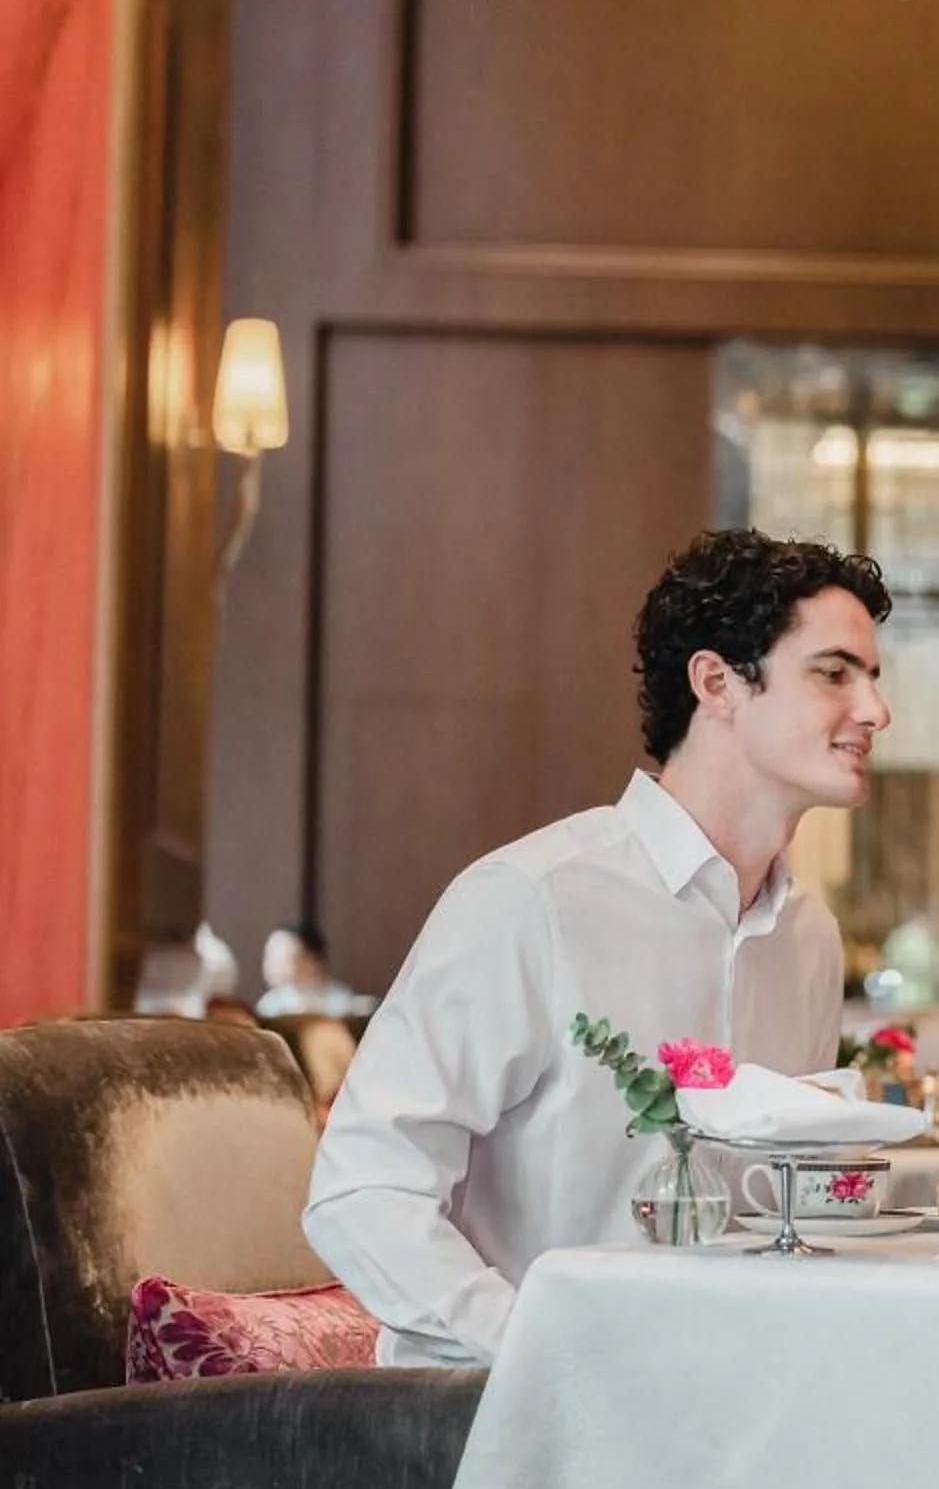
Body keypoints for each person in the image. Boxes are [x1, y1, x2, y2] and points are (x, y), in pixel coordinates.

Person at [305, 531, 891, 1366]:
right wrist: (540, 1351)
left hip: (723, 1391)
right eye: (835, 673)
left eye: (873, 678)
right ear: (716, 683)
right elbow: (363, 1188)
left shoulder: (809, 938)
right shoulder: (533, 899)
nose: (874, 711)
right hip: (505, 1406)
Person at [256, 920, 362, 1018]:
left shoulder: (343, 1004)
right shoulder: (269, 1004)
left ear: (312, 960)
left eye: (285, 959)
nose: (274, 966)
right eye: (270, 957)